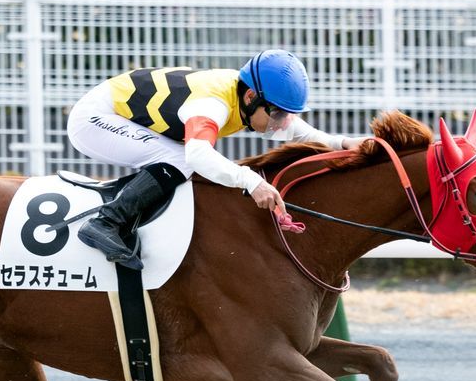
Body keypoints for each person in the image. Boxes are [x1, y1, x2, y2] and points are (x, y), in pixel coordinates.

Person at [66, 49, 366, 269]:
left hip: (124, 115)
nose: (282, 123)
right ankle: (105, 222)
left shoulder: (244, 96)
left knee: (178, 158)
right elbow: (198, 155)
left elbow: (299, 131)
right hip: (95, 119)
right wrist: (252, 182)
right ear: (251, 98)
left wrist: (341, 143)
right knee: (182, 159)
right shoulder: (213, 104)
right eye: (278, 114)